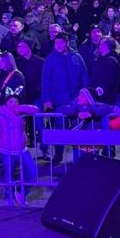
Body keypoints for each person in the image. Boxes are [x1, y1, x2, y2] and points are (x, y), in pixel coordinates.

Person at [0, 93, 38, 206]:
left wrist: (19, 108)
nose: (14, 104)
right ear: (6, 102)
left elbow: (36, 109)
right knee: (8, 175)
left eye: (16, 101)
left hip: (22, 149)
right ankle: (8, 196)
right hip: (6, 150)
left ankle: (22, 193)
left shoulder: (21, 111)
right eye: (11, 101)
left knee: (32, 172)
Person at [40, 31, 88, 165]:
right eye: (56, 43)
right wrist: (47, 99)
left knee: (77, 130)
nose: (59, 45)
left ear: (67, 43)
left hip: (75, 101)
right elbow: (45, 81)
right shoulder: (50, 59)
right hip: (58, 101)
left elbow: (84, 76)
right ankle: (59, 154)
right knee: (59, 130)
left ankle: (79, 156)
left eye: (61, 43)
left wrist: (84, 95)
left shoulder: (76, 57)